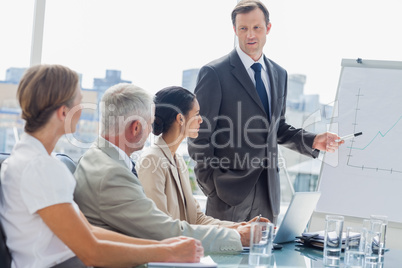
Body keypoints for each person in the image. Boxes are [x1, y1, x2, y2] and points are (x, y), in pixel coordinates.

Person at [0, 65, 203, 268]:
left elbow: (88, 231)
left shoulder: (33, 158)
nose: (80, 114)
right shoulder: (40, 168)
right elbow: (92, 252)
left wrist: (164, 247)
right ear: (63, 112)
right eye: (78, 105)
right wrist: (165, 251)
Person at [188, 0, 343, 224]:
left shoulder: (279, 74)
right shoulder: (214, 73)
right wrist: (211, 187)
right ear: (235, 30)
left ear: (268, 28)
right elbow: (198, 134)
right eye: (243, 28)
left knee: (264, 257)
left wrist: (313, 140)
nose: (250, 34)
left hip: (268, 193)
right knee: (224, 257)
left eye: (256, 27)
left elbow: (276, 128)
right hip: (228, 194)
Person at [73, 83, 253, 253]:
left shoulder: (103, 159)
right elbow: (162, 231)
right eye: (150, 122)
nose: (153, 129)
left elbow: (192, 218)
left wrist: (238, 228)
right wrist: (236, 237)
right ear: (136, 127)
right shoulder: (113, 173)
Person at [137, 86, 269, 226]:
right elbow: (162, 226)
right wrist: (237, 234)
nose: (201, 120)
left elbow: (197, 219)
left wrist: (242, 227)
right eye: (197, 114)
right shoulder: (152, 161)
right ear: (180, 119)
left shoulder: (179, 161)